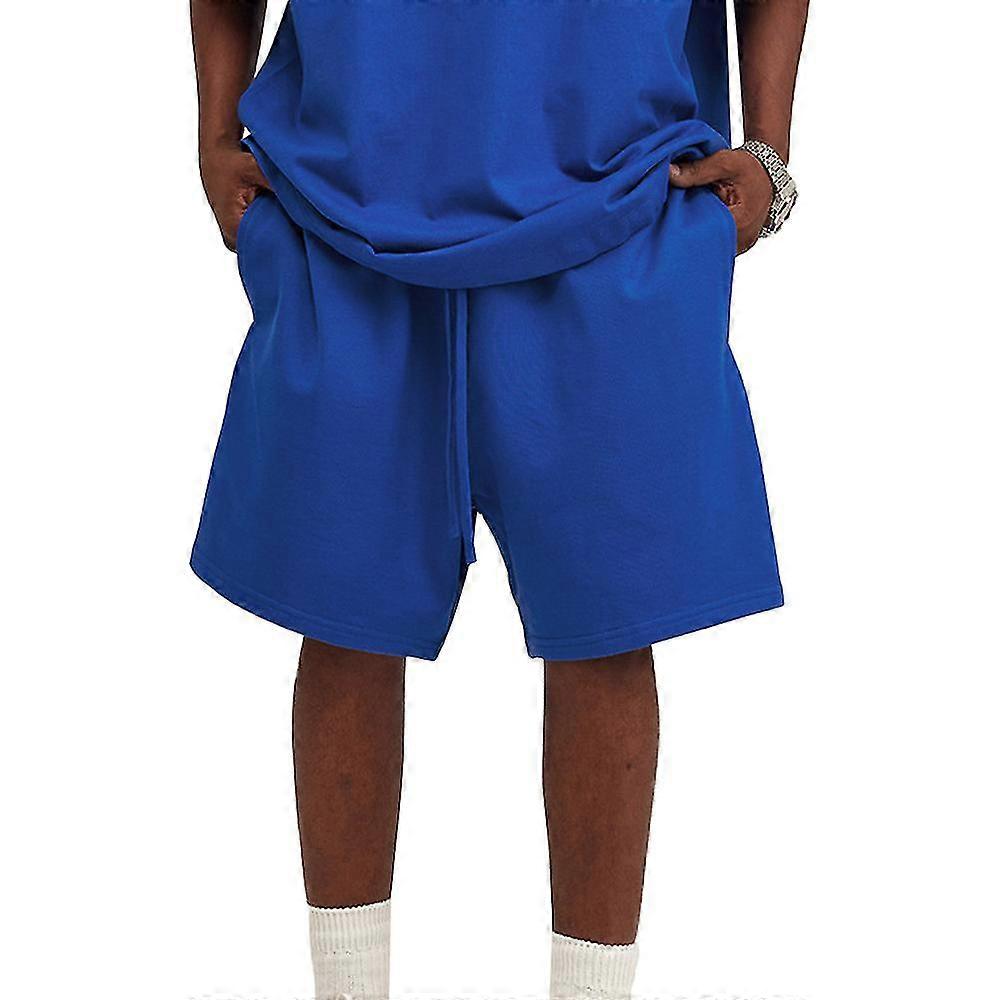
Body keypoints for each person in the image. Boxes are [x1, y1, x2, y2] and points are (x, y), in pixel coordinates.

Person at [189, 1, 808, 997]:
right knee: (343, 620)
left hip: (618, 191)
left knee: (606, 631)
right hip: (344, 195)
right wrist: (213, 133)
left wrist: (770, 151)